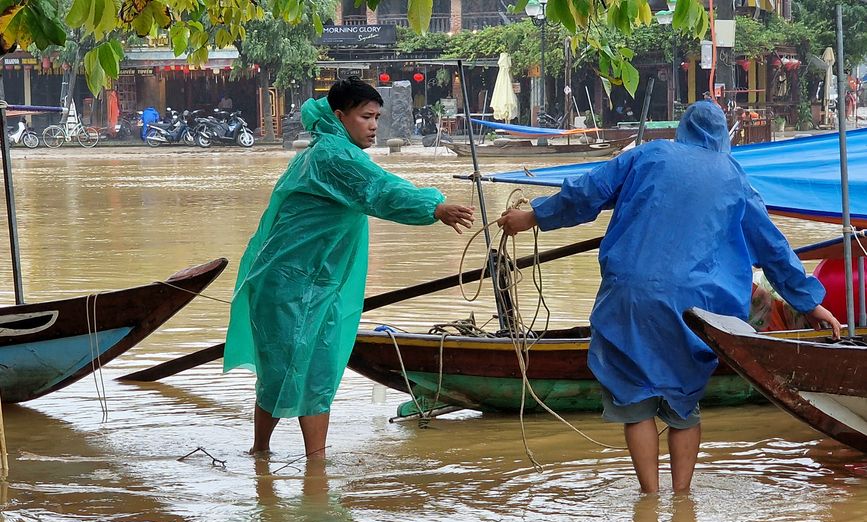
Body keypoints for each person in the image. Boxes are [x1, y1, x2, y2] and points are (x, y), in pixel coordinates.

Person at [497, 100, 841, 494]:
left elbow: (587, 192)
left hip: (631, 294)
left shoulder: (647, 155)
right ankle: (681, 499)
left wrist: (533, 216)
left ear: (683, 130)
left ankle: (650, 498)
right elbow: (773, 248)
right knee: (683, 405)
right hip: (697, 305)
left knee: (636, 401)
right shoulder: (734, 176)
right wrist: (809, 302)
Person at [224, 77, 475, 458]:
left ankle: (311, 465)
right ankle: (264, 452)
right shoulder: (331, 157)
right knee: (284, 371)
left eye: (377, 117)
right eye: (365, 117)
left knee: (317, 373)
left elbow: (377, 186)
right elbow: (381, 191)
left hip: (316, 285)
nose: (374, 125)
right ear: (340, 116)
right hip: (288, 286)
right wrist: (434, 207)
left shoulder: (331, 152)